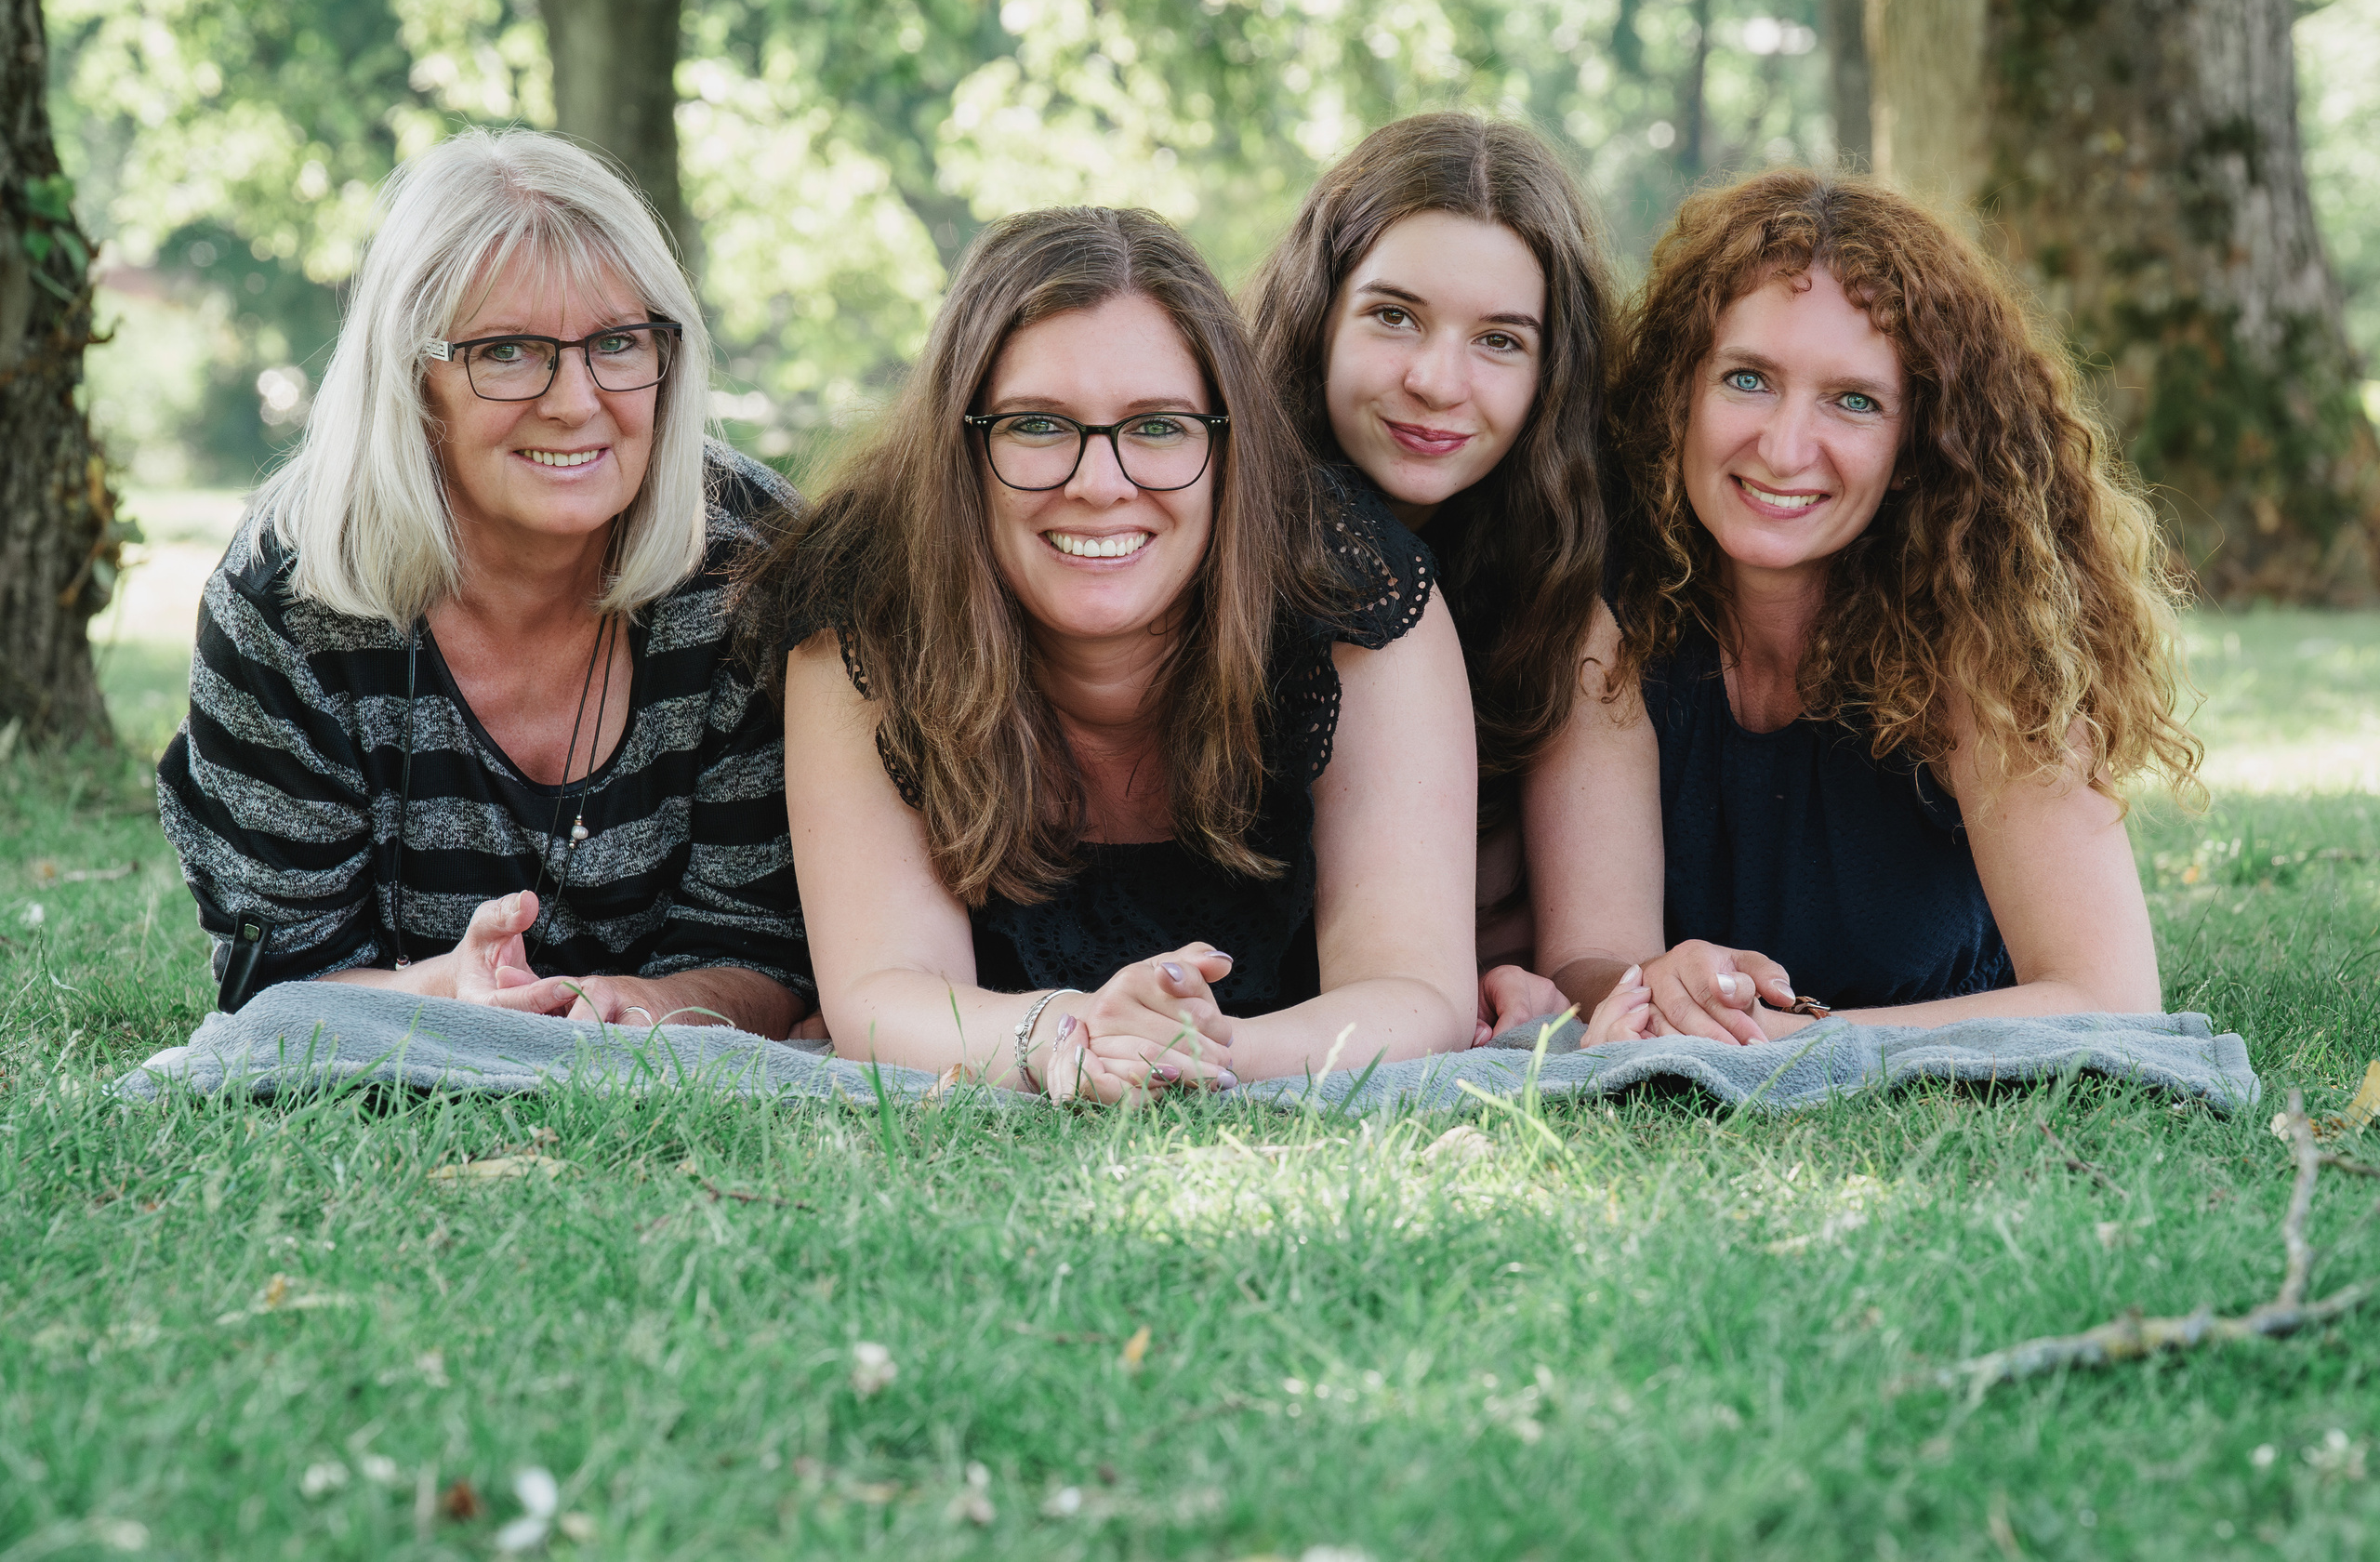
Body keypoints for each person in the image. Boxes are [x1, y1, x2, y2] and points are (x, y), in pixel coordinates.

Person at [740, 206, 1476, 1102]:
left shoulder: (1349, 587)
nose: (1100, 484)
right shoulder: (864, 597)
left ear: (1228, 445)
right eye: (1038, 425)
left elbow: (1416, 989)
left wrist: (1200, 1053)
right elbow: (882, 991)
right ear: (962, 445)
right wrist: (1067, 1039)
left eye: (1158, 426)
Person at [1504, 168, 2201, 1045]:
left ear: (1919, 443)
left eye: (1855, 401)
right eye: (1748, 379)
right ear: (1680, 391)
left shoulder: (1984, 628)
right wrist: (1655, 990)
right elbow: (1590, 955)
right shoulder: (1611, 614)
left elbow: (2110, 995)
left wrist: (1784, 1043)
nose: (1786, 447)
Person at [157, 128, 813, 1036]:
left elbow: (776, 942)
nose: (575, 402)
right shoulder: (287, 598)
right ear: (410, 376)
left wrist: (650, 1005)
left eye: (618, 342)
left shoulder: (758, 566)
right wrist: (447, 990)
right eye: (507, 350)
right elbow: (282, 980)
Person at [1242, 113, 1621, 1038]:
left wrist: (1536, 986)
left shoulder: (1561, 601)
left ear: (1552, 373)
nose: (1438, 382)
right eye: (1394, 316)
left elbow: (1597, 953)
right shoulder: (1198, 536)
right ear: (1318, 317)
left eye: (1500, 340)